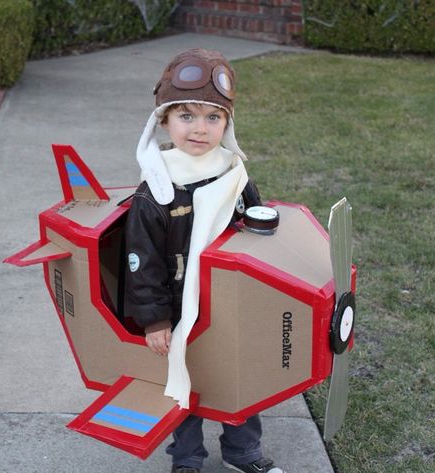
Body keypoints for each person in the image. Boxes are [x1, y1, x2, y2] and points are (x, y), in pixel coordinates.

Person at [124, 49, 286, 473]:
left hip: (231, 299)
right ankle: (187, 458)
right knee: (187, 383)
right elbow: (143, 261)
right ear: (163, 121)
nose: (200, 129)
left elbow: (255, 223)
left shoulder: (233, 171)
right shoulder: (156, 189)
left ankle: (243, 451)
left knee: (238, 375)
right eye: (187, 116)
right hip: (180, 305)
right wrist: (155, 319)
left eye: (213, 118)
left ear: (226, 124)